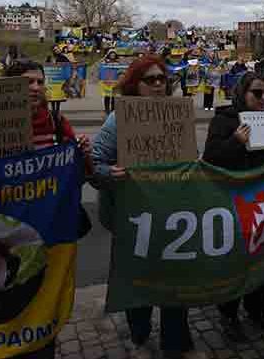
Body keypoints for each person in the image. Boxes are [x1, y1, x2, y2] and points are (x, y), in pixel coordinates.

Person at [0, 58, 92, 359]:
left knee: (39, 307)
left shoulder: (57, 125)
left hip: (45, 235)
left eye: (39, 82)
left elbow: (80, 177)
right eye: (26, 82)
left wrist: (82, 156)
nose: (35, 87)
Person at [91, 55, 195, 358]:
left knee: (176, 281)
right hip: (132, 218)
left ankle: (175, 339)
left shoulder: (177, 116)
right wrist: (110, 174)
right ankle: (139, 329)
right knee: (138, 280)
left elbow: (190, 160)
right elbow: (95, 165)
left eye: (163, 79)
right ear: (135, 85)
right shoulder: (117, 120)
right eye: (150, 80)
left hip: (173, 217)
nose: (159, 85)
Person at [202, 72, 264, 341]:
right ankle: (229, 314)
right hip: (233, 203)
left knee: (261, 259)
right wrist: (236, 142)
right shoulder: (224, 120)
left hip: (263, 205)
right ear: (242, 93)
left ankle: (257, 310)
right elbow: (210, 159)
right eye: (256, 93)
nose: (263, 98)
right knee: (235, 262)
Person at [101, 50, 120, 114]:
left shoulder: (118, 62)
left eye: (114, 54)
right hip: (107, 81)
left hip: (115, 81)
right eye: (111, 54)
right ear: (109, 55)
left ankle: (113, 109)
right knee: (107, 96)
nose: (112, 55)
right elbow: (101, 67)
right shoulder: (105, 62)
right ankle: (107, 109)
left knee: (114, 96)